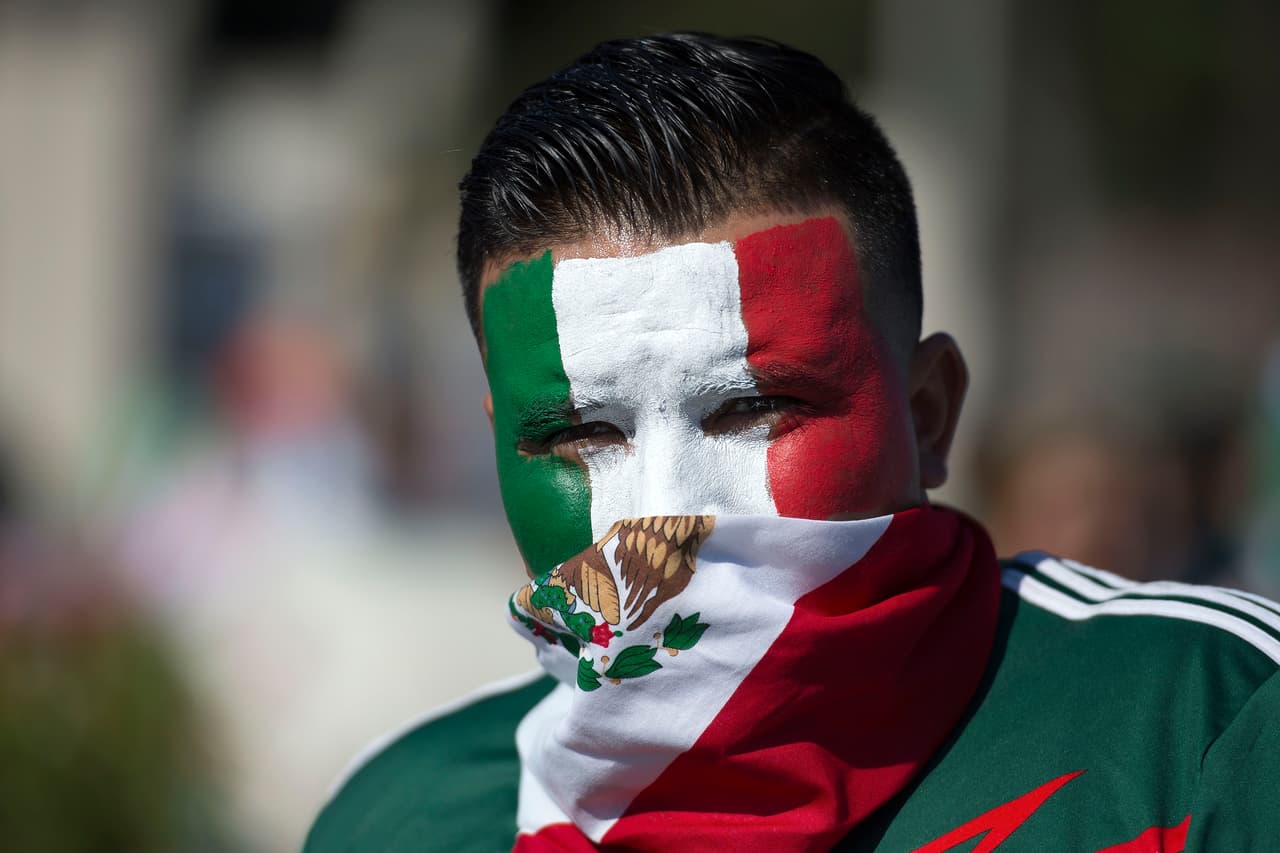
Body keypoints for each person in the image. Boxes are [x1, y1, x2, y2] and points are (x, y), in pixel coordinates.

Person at [305, 34, 1280, 852]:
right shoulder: (403, 819)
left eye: (751, 411)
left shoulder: (1205, 729)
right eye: (580, 433)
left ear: (928, 412)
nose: (659, 516)